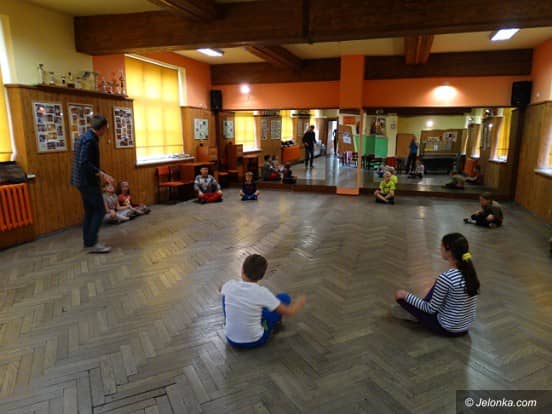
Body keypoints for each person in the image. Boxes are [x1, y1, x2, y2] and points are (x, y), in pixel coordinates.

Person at [392, 233, 479, 337]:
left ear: (449, 250)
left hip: (447, 328)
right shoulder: (470, 272)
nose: (440, 248)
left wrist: (406, 295)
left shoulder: (446, 278)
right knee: (438, 285)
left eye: (441, 245)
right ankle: (417, 311)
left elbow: (430, 309)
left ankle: (415, 316)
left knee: (399, 298)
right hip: (464, 327)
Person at [220, 254, 306, 348]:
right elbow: (289, 312)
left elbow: (221, 288)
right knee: (284, 298)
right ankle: (273, 326)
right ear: (261, 276)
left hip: (230, 338)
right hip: (255, 340)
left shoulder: (229, 285)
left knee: (225, 296)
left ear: (242, 270)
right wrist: (299, 303)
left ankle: (232, 322)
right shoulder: (262, 292)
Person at [70, 115, 114, 254]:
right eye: (106, 127)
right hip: (87, 182)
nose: (106, 130)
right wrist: (102, 174)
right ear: (103, 127)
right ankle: (93, 243)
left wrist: (101, 173)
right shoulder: (90, 140)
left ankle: (88, 242)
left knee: (90, 211)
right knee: (99, 211)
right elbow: (84, 162)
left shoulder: (82, 137)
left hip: (80, 181)